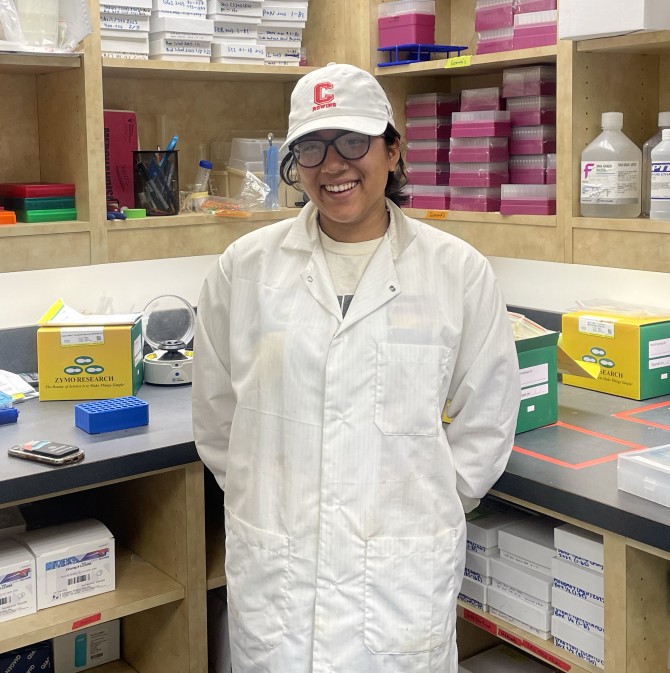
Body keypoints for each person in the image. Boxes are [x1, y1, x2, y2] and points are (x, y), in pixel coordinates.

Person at [192, 62, 520, 673]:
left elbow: (489, 418)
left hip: (399, 578)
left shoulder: (456, 272)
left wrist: (427, 500)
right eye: (311, 148)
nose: (333, 164)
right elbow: (216, 417)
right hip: (279, 574)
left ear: (393, 150)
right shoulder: (245, 270)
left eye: (353, 141)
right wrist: (266, 495)